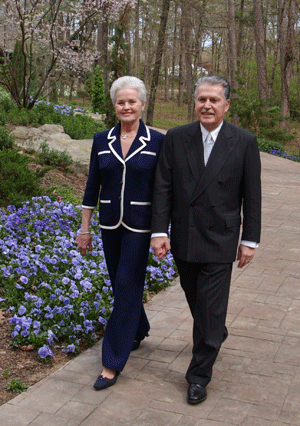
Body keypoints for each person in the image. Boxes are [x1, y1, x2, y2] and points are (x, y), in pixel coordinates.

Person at [151, 74, 261, 404]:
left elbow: (251, 196)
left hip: (220, 238)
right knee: (198, 301)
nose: (207, 105)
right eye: (202, 99)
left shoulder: (243, 141)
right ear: (195, 103)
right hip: (184, 236)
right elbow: (163, 187)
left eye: (214, 100)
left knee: (210, 309)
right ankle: (215, 332)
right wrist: (159, 231)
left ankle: (199, 375)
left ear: (226, 105)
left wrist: (249, 240)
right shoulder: (177, 137)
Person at [76, 76, 165, 391]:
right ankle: (138, 328)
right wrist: (84, 228)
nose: (126, 107)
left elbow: (164, 190)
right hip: (109, 225)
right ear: (115, 106)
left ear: (142, 104)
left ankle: (112, 362)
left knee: (127, 285)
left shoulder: (157, 142)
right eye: (120, 102)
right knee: (120, 284)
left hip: (141, 227)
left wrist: (161, 231)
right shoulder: (102, 140)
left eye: (132, 101)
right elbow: (91, 187)